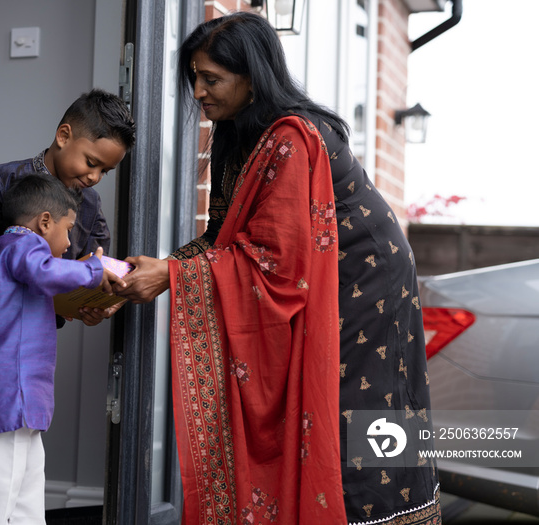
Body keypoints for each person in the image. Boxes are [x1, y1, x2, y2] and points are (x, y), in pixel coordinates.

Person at [115, 12, 441, 525]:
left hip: (360, 282)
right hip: (323, 272)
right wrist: (163, 269)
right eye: (194, 79)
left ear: (252, 75)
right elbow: (223, 240)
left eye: (212, 79)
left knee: (346, 415)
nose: (198, 92)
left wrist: (172, 279)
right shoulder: (240, 138)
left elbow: (275, 261)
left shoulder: (292, 137)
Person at [0, 174, 125, 524]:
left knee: (28, 479)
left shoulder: (4, 254)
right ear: (44, 223)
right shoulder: (22, 245)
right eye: (68, 229)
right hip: (12, 390)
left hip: (19, 394)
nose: (70, 241)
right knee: (3, 484)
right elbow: (43, 270)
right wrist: (92, 268)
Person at [0, 88, 135, 326]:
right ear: (64, 136)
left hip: (41, 335)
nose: (95, 177)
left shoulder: (91, 206)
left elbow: (95, 266)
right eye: (91, 163)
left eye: (105, 171)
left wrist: (97, 300)